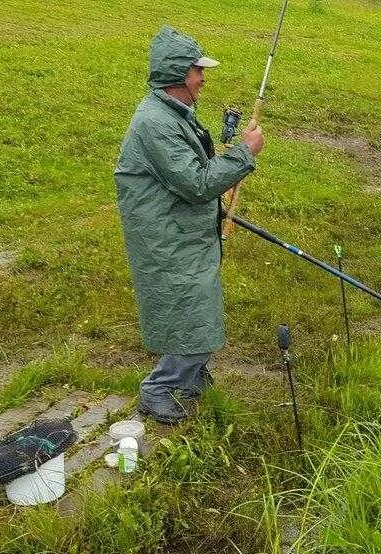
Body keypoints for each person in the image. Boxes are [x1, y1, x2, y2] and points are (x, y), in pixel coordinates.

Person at [114, 26, 265, 424]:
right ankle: (159, 388)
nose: (203, 78)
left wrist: (232, 156)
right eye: (199, 70)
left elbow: (193, 172)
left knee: (198, 308)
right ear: (180, 74)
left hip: (184, 230)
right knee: (194, 313)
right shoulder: (156, 123)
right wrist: (245, 155)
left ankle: (191, 377)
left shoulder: (171, 112)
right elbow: (198, 184)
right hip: (168, 236)